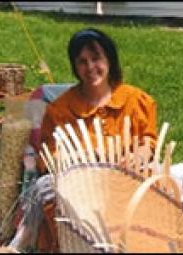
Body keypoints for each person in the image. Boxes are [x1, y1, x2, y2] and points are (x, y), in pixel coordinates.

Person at [36, 28, 158, 252]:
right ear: (75, 67)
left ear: (109, 60)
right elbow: (46, 157)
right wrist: (73, 162)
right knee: (46, 191)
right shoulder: (59, 111)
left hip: (126, 183)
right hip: (80, 193)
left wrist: (139, 154)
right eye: (82, 61)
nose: (90, 67)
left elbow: (148, 140)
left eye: (96, 58)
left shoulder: (134, 100)